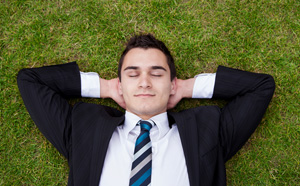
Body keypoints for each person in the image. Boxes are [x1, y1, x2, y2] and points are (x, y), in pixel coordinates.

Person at [17, 34, 275, 186]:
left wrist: (185, 88)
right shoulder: (84, 127)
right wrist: (105, 87)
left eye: (157, 73)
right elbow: (31, 81)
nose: (144, 82)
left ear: (171, 83)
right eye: (133, 74)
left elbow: (260, 87)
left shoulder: (207, 130)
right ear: (121, 84)